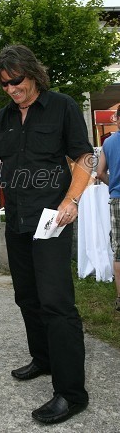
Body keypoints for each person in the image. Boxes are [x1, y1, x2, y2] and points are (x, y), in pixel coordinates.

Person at [0, 44, 93, 425]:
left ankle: (71, 393)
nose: (11, 88)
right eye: (5, 83)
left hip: (52, 221)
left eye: (16, 80)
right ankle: (43, 359)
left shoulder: (62, 106)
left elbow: (85, 158)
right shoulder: (5, 116)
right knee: (27, 297)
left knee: (57, 303)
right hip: (18, 221)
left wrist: (71, 201)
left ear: (32, 74)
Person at [97, 104, 120, 311]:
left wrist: (112, 183)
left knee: (119, 251)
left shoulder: (109, 142)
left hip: (117, 199)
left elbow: (99, 172)